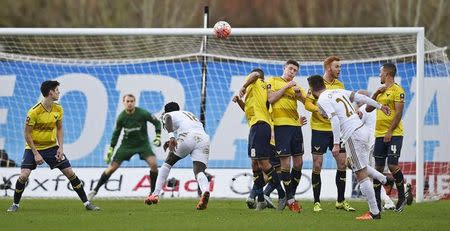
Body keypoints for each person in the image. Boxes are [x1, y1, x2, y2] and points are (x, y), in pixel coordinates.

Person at [7, 80, 99, 212]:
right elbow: (27, 134)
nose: (59, 92)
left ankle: (87, 203)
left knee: (69, 172)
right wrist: (35, 153)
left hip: (51, 147)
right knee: (24, 175)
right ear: (50, 92)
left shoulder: (58, 108)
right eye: (57, 90)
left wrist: (61, 147)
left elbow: (60, 128)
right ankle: (15, 204)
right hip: (33, 148)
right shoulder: (34, 112)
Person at [307, 75, 391, 220]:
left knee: (360, 173)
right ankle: (385, 180)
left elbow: (334, 120)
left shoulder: (322, 99)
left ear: (311, 89)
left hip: (353, 135)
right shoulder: (338, 91)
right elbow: (361, 98)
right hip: (362, 130)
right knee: (350, 163)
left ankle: (374, 212)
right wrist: (380, 106)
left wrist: (335, 144)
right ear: (323, 84)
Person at [304, 56, 354, 212]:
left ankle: (340, 201)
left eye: (340, 66)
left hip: (336, 130)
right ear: (328, 68)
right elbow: (307, 103)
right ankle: (316, 202)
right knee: (317, 164)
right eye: (337, 67)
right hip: (319, 129)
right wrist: (319, 110)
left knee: (342, 164)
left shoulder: (340, 84)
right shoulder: (317, 83)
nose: (339, 69)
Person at [88, 94, 161, 200]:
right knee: (111, 168)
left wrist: (158, 136)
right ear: (124, 102)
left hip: (143, 144)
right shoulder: (121, 117)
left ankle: (152, 193)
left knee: (154, 164)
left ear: (135, 102)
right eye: (127, 101)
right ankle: (95, 190)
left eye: (132, 101)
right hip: (126, 146)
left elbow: (157, 122)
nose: (130, 103)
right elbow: (116, 134)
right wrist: (111, 149)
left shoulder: (142, 113)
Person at [145, 102, 211, 210]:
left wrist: (171, 137)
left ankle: (155, 194)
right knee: (199, 171)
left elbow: (168, 119)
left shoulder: (168, 114)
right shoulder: (187, 113)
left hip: (187, 136)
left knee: (167, 164)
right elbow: (190, 128)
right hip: (203, 138)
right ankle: (205, 191)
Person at [235, 68, 285, 211]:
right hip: (255, 126)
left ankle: (282, 195)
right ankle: (261, 200)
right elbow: (248, 111)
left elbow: (256, 74)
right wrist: (239, 101)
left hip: (261, 126)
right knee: (255, 164)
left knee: (263, 163)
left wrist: (243, 87)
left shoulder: (258, 82)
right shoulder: (255, 91)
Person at [365, 63, 413, 212]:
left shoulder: (398, 90)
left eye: (381, 72)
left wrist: (390, 131)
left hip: (394, 134)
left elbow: (399, 113)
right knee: (378, 169)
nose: (379, 75)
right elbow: (368, 108)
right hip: (379, 134)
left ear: (386, 74)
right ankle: (377, 204)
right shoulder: (380, 91)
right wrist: (375, 94)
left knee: (392, 165)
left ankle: (401, 197)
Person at [267, 60, 306, 213]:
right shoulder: (273, 81)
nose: (292, 72)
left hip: (296, 127)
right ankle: (290, 200)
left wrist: (301, 96)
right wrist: (286, 87)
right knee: (285, 164)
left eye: (295, 70)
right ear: (284, 68)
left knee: (299, 163)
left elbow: (306, 101)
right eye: (290, 69)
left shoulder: (296, 87)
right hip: (280, 127)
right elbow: (271, 99)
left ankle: (291, 195)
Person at [354, 90, 396, 210]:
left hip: (371, 145)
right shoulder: (379, 109)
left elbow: (355, 127)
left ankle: (387, 201)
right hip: (383, 142)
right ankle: (398, 189)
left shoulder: (363, 110)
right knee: (378, 174)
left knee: (371, 177)